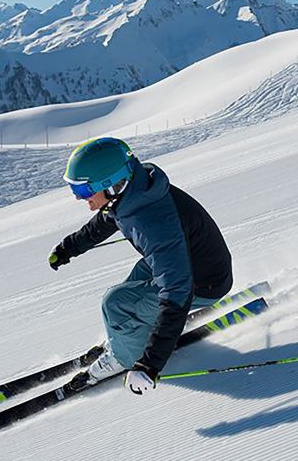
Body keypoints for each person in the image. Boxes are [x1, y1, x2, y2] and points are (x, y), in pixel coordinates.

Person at [48, 137, 233, 395]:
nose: (80, 199)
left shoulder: (153, 223)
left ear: (110, 185)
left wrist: (149, 364)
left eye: (83, 191)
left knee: (115, 303)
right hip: (191, 262)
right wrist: (69, 247)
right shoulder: (135, 191)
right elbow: (106, 220)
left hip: (203, 282)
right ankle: (127, 338)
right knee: (133, 285)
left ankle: (124, 357)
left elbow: (177, 292)